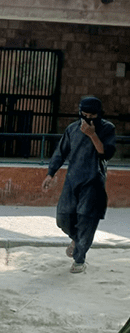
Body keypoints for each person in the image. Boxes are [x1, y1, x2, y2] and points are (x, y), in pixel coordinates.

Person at [41, 96, 116, 274]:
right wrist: (50, 173)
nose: (88, 119)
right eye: (84, 115)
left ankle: (79, 260)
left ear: (98, 114)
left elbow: (105, 154)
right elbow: (61, 152)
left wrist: (92, 134)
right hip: (72, 180)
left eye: (92, 115)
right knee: (63, 217)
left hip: (93, 182)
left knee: (86, 221)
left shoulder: (107, 128)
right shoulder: (72, 129)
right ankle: (76, 240)